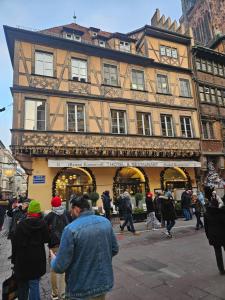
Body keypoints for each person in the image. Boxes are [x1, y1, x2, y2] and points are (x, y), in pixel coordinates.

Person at [50, 195, 119, 300]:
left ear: (77, 209)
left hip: (80, 289)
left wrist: (54, 260)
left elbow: (60, 267)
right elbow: (114, 249)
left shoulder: (70, 229)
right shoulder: (105, 222)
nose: (70, 213)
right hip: (103, 284)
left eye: (71, 210)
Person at [13, 200, 49, 299]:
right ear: (38, 212)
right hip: (37, 259)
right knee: (34, 284)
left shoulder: (21, 224)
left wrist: (13, 260)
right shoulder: (42, 224)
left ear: (29, 211)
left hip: (22, 259)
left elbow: (15, 243)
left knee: (23, 285)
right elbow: (46, 239)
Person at [45, 196, 71, 300]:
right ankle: (63, 293)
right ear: (61, 204)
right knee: (65, 268)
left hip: (54, 246)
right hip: (66, 245)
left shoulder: (49, 216)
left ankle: (55, 293)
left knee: (54, 269)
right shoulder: (67, 214)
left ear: (52, 205)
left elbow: (45, 231)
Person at [204, 198, 225, 275]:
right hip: (223, 235)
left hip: (213, 236)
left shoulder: (206, 213)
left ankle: (221, 270)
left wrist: (208, 236)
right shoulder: (221, 212)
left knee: (217, 253)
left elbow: (206, 227)